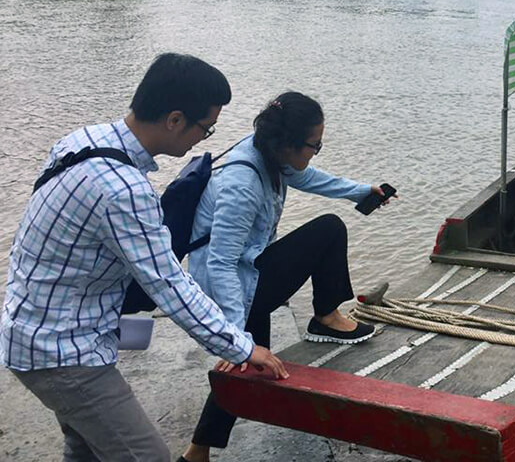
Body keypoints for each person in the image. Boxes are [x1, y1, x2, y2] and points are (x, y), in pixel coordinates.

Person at [0, 53, 287, 462]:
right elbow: (171, 286)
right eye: (205, 130)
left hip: (32, 330)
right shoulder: (124, 191)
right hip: (64, 353)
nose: (201, 140)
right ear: (174, 120)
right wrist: (242, 347)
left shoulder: (81, 141)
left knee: (87, 450)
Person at [180, 91, 388, 462]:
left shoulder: (269, 152)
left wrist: (360, 192)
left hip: (248, 273)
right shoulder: (243, 183)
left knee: (246, 368)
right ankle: (325, 317)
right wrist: (234, 334)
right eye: (314, 145)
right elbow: (221, 264)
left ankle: (196, 453)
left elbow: (309, 178)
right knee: (328, 229)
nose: (315, 152)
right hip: (229, 286)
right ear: (289, 143)